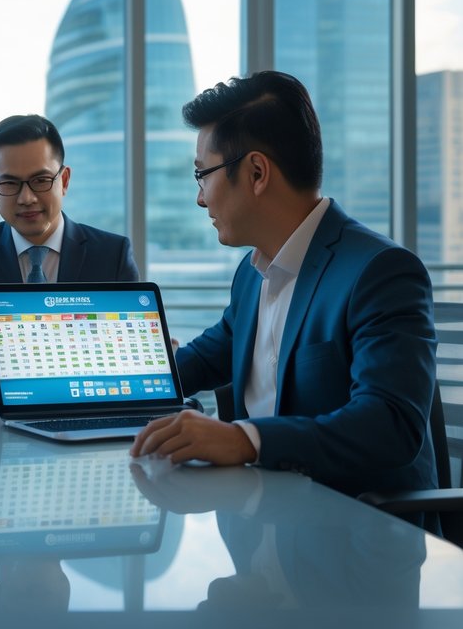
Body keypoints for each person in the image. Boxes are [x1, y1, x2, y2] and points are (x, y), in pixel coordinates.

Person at [130, 71, 437, 497]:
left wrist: (244, 439)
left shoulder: (379, 272)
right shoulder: (251, 275)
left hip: (350, 538)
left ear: (256, 172)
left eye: (203, 175)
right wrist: (79, 382)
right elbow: (200, 361)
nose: (200, 197)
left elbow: (389, 424)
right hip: (256, 523)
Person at [0, 115, 139, 382]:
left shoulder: (112, 253)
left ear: (64, 180)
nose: (26, 198)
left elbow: (131, 336)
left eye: (41, 180)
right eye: (8, 184)